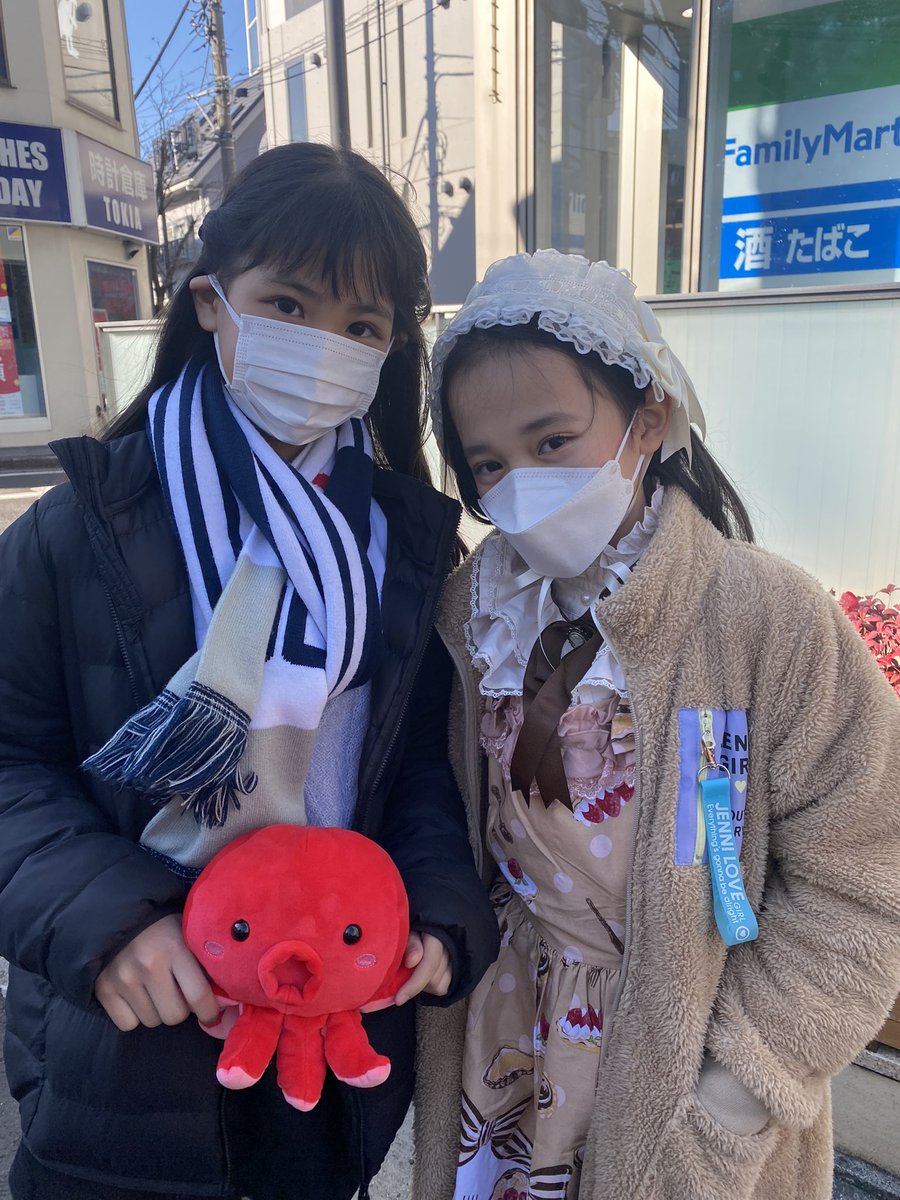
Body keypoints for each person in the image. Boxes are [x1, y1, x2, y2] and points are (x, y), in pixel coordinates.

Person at [0, 143, 499, 1200]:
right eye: (287, 304)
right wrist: (111, 922)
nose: (322, 347)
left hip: (331, 1035)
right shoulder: (77, 530)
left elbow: (421, 767)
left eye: (361, 326)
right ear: (211, 303)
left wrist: (435, 913)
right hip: (128, 1044)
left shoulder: (404, 547)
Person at [411, 249, 900, 1200]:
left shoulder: (769, 618)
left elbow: (865, 880)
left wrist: (735, 1093)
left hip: (685, 1077)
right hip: (505, 1044)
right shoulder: (472, 613)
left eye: (552, 440)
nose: (520, 483)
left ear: (647, 418)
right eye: (490, 464)